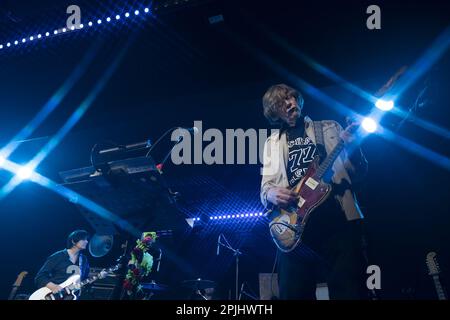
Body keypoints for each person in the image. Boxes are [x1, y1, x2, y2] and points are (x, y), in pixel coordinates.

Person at [260, 84, 369, 300]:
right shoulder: (271, 144)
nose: (290, 103)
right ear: (274, 111)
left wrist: (353, 148)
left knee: (350, 292)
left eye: (292, 97)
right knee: (293, 294)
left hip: (337, 223)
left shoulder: (329, 127)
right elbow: (266, 187)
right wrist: (271, 195)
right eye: (283, 101)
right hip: (296, 229)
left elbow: (358, 173)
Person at [34, 230, 90, 296]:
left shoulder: (84, 259)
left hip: (72, 296)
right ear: (73, 241)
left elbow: (85, 279)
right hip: (54, 295)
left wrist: (99, 276)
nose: (86, 241)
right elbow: (40, 277)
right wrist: (53, 286)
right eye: (83, 239)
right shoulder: (58, 256)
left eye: (86, 239)